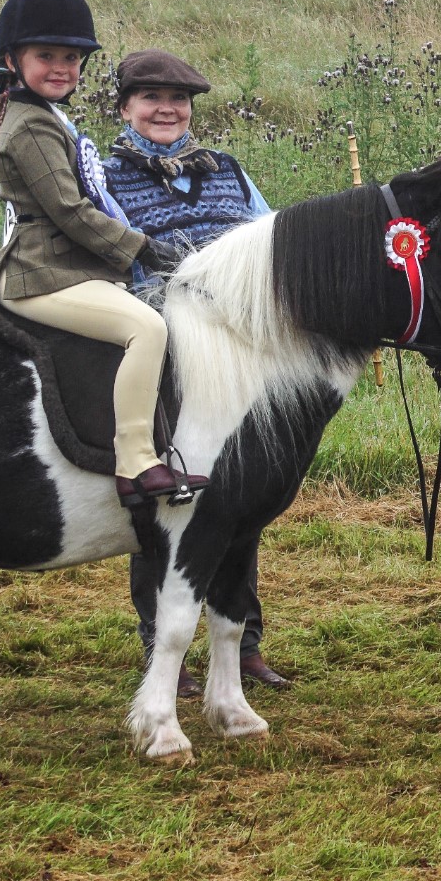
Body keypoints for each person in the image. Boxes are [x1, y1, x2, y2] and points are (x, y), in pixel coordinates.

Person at [0, 0, 207, 506]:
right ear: (12, 59)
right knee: (146, 328)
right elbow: (70, 212)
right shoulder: (30, 126)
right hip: (39, 272)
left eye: (72, 58)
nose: (61, 67)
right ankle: (136, 464)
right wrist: (141, 247)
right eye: (46, 56)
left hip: (67, 268)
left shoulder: (45, 114)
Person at [100, 48, 289, 693]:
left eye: (177, 100)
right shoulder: (104, 174)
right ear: (124, 107)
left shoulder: (227, 171)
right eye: (150, 98)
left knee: (242, 497)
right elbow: (115, 253)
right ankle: (164, 650)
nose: (166, 109)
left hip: (239, 350)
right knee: (167, 497)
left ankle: (245, 645)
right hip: (166, 344)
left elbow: (268, 236)